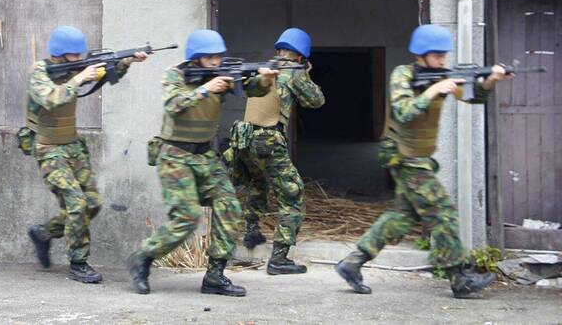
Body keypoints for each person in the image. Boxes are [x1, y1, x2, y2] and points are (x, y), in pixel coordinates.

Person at [335, 24, 512, 299]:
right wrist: (433, 91)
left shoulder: (443, 75)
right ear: (421, 54)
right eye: (437, 55)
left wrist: (491, 80)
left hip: (419, 158)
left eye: (444, 55)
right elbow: (403, 111)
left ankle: (352, 263)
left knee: (401, 218)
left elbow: (474, 97)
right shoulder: (403, 75)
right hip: (404, 156)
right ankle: (459, 278)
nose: (443, 60)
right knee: (443, 213)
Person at [128, 29, 278, 296]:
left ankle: (215, 276)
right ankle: (143, 257)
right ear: (195, 58)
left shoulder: (222, 73)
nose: (215, 62)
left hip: (205, 155)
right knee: (186, 218)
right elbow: (174, 105)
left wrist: (265, 80)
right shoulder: (174, 75)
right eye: (209, 57)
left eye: (218, 56)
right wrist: (206, 89)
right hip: (175, 155)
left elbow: (252, 88)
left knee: (229, 206)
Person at [24, 26, 147, 284]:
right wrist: (79, 79)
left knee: (92, 203)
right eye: (75, 55)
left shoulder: (75, 68)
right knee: (77, 203)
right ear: (60, 54)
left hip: (73, 147)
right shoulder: (40, 72)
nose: (80, 59)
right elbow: (50, 98)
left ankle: (44, 233)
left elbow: (106, 71)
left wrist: (127, 61)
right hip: (49, 149)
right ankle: (78, 263)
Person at [227, 28, 324, 275]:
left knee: (257, 184)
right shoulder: (293, 72)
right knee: (292, 193)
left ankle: (251, 233)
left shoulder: (265, 67)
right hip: (268, 139)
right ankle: (279, 259)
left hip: (244, 139)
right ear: (301, 55)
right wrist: (306, 74)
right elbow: (316, 101)